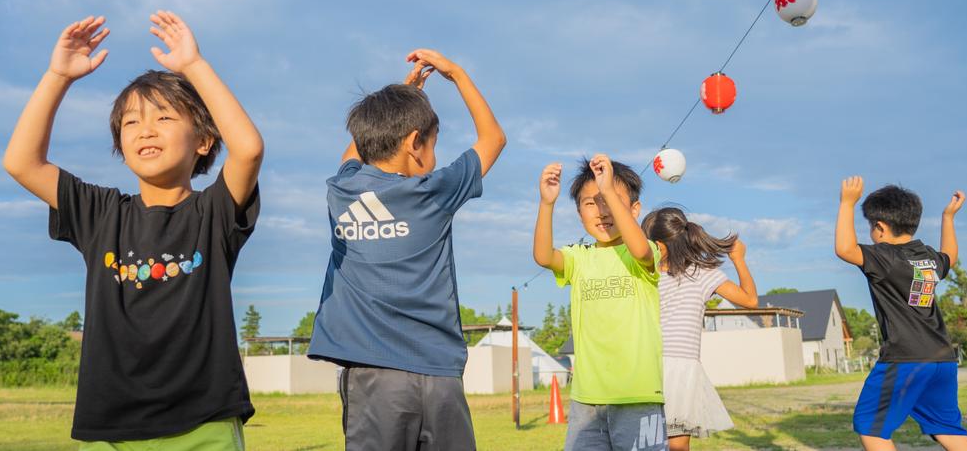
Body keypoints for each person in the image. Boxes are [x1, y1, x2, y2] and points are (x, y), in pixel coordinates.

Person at [3, 12, 264, 449]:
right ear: (120, 145)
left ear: (203, 142)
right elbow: (21, 163)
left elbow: (249, 149)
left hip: (205, 424)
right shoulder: (102, 213)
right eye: (130, 122)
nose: (145, 129)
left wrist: (194, 66)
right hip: (111, 430)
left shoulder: (213, 212)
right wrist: (57, 76)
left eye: (164, 118)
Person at [307, 49, 506, 451]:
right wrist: (458, 74)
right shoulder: (434, 191)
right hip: (439, 374)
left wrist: (400, 93)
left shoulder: (342, 190)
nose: (434, 159)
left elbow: (354, 153)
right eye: (433, 145)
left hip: (371, 375)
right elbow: (493, 139)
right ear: (416, 143)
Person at [533, 155, 667, 451]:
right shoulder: (579, 258)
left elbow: (640, 249)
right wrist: (546, 203)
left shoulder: (644, 253)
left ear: (634, 209)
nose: (602, 210)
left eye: (610, 199)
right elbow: (543, 256)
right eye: (590, 203)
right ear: (579, 213)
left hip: (638, 395)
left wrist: (607, 190)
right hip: (587, 399)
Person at [834, 176, 967, 451]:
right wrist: (948, 218)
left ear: (880, 227)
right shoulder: (928, 258)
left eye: (871, 228)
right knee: (948, 428)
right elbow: (950, 255)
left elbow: (845, 249)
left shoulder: (886, 257)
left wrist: (847, 203)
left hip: (905, 359)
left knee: (870, 426)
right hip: (941, 358)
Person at [641, 207, 759, 451]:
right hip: (675, 369)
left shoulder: (647, 275)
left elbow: (750, 302)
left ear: (660, 245)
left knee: (650, 443)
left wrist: (738, 259)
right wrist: (738, 259)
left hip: (656, 368)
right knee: (676, 445)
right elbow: (749, 299)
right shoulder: (703, 273)